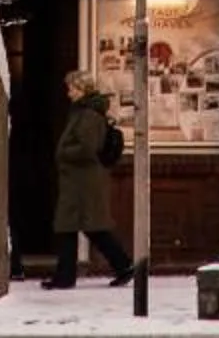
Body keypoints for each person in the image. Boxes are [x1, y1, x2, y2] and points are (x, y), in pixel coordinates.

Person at [48, 68, 132, 289]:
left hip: (82, 182)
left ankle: (65, 277)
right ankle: (123, 266)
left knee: (75, 227)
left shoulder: (87, 115)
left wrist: (63, 153)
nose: (68, 93)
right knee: (89, 227)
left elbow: (88, 148)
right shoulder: (83, 112)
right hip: (79, 180)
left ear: (82, 89)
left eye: (71, 88)